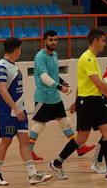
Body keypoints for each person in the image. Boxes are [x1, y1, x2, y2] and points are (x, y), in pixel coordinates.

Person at [49, 28, 107, 181]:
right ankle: (57, 163)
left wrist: (75, 100)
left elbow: (82, 83)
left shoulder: (93, 57)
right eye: (103, 41)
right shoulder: (87, 58)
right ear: (96, 40)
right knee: (81, 139)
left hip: (96, 100)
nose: (105, 44)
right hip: (88, 103)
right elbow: (97, 83)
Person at [0, 37, 49, 186]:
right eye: (20, 48)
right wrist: (15, 108)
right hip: (7, 112)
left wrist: (20, 108)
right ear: (17, 49)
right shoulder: (1, 67)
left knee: (24, 141)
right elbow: (2, 89)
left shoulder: (13, 66)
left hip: (19, 112)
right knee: (6, 141)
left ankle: (32, 174)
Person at [28, 29, 93, 162]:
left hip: (54, 97)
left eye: (55, 40)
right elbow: (44, 77)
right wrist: (60, 87)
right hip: (43, 97)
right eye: (51, 40)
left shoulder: (55, 55)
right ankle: (28, 151)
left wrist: (62, 81)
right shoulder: (40, 56)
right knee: (39, 125)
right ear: (44, 41)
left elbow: (53, 74)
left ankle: (79, 147)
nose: (54, 42)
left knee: (65, 122)